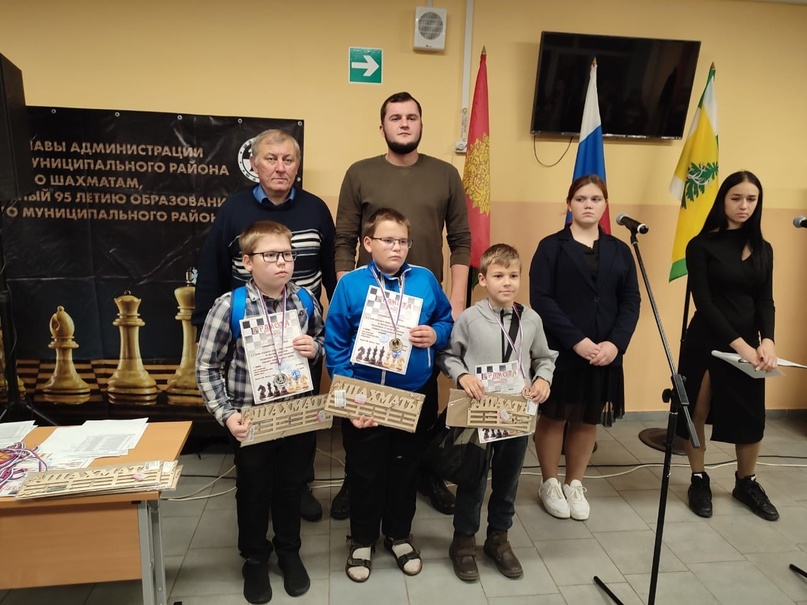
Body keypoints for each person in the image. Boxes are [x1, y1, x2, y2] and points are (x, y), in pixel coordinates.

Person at [332, 91, 471, 518]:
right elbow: (344, 239)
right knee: (365, 391)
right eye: (396, 117)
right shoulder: (360, 173)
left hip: (423, 306)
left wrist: (457, 300)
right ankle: (357, 479)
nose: (404, 123)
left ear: (421, 124)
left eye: (412, 117)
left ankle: (424, 472)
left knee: (420, 393)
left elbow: (461, 241)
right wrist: (347, 293)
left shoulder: (446, 174)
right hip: (371, 306)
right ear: (383, 127)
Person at [192, 128, 335, 522]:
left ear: (297, 165)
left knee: (299, 416)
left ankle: (298, 485)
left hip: (301, 335)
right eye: (271, 159)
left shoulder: (316, 210)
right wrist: (207, 326)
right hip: (250, 337)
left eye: (288, 160)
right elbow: (212, 269)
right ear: (254, 164)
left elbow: (330, 269)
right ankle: (257, 486)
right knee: (255, 423)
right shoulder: (233, 210)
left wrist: (332, 330)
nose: (280, 167)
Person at [196, 220, 324, 603]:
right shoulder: (229, 306)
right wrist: (225, 413)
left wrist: (314, 348)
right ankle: (254, 557)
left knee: (291, 487)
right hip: (251, 420)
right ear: (248, 262)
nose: (282, 262)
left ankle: (289, 551)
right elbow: (206, 366)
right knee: (253, 491)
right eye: (271, 255)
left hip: (296, 415)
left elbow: (322, 339)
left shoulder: (304, 301)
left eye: (287, 254)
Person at [325, 208, 454, 582]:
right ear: (368, 243)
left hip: (413, 395)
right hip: (365, 397)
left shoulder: (425, 280)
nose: (396, 247)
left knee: (405, 469)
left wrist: (436, 334)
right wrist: (351, 398)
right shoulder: (350, 285)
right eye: (387, 240)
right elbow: (335, 345)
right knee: (365, 471)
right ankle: (362, 539)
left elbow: (446, 320)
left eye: (402, 241)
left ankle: (399, 535)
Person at [438, 243, 556, 582]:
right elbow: (449, 356)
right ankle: (463, 541)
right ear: (483, 279)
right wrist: (462, 375)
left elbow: (545, 357)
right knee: (473, 480)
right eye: (499, 275)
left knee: (508, 479)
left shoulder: (531, 319)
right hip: (479, 414)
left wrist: (543, 380)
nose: (507, 282)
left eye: (513, 276)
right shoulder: (469, 319)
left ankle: (498, 538)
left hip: (516, 414)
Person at [529, 175, 640, 521]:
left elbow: (631, 301)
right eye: (580, 199)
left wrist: (615, 344)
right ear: (569, 204)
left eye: (595, 199)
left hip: (605, 353)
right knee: (556, 415)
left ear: (605, 205)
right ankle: (549, 482)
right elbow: (541, 299)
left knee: (587, 417)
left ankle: (574, 483)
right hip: (562, 350)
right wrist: (577, 341)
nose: (588, 205)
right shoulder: (551, 247)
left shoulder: (620, 250)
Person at [677, 170, 779, 521]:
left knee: (751, 415)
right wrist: (742, 347)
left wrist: (767, 341)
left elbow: (765, 301)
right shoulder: (701, 245)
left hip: (749, 345)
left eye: (751, 199)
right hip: (707, 341)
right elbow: (704, 304)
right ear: (723, 200)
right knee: (697, 411)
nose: (744, 205)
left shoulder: (764, 249)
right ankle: (698, 478)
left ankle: (746, 482)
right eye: (736, 198)